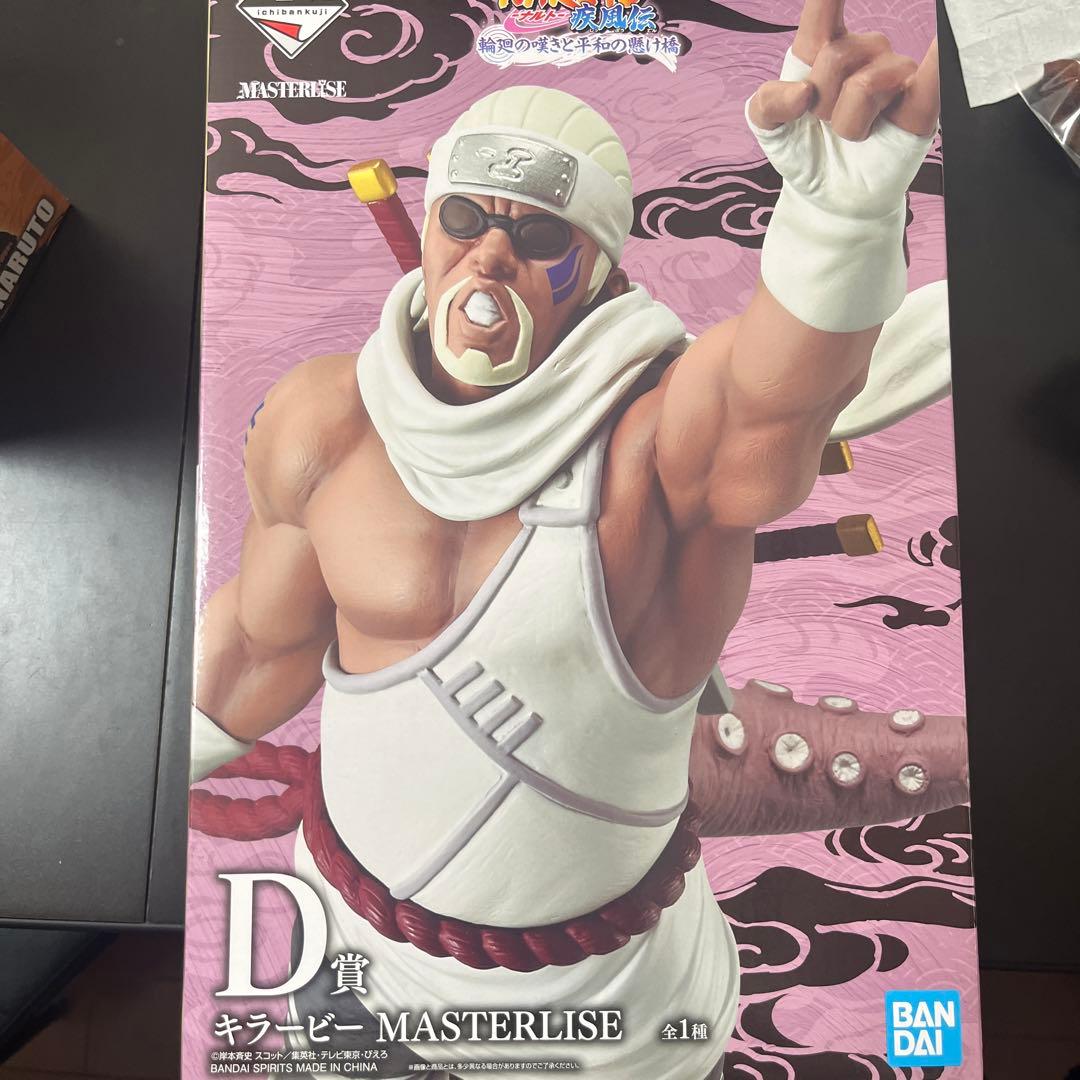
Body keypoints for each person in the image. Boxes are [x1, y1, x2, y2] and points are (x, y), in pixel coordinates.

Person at [192, 3, 942, 1076]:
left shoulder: (652, 446)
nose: (491, 257)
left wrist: (839, 225)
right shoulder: (326, 421)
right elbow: (256, 649)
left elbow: (769, 402)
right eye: (464, 219)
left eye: (541, 236)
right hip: (352, 965)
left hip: (612, 1019)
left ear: (594, 269)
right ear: (429, 224)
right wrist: (127, 761)